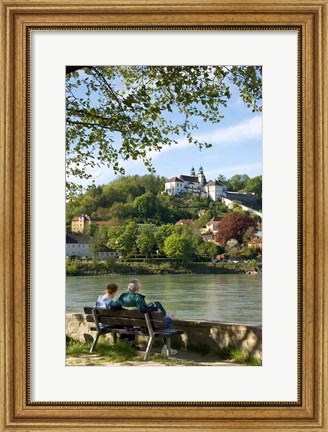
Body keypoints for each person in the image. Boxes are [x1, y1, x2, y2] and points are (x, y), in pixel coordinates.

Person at [116, 279, 178, 355]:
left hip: (134, 323)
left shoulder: (122, 296)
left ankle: (165, 314)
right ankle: (166, 348)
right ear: (138, 288)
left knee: (156, 303)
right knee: (168, 320)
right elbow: (143, 310)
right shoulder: (138, 298)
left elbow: (113, 306)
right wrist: (154, 308)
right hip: (146, 326)